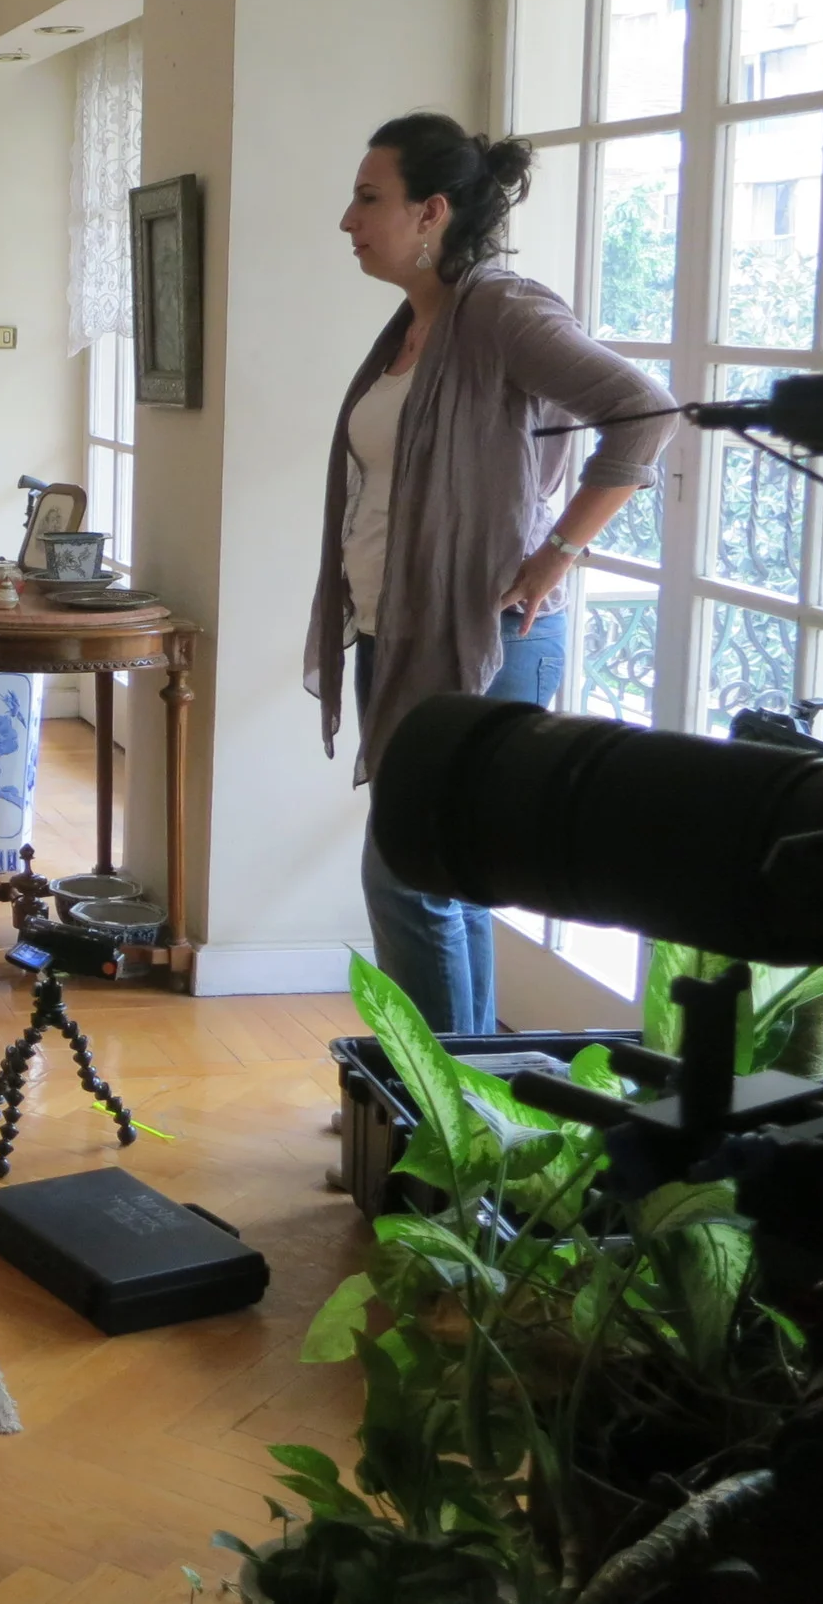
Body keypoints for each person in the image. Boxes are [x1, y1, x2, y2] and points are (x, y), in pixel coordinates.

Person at [306, 112, 677, 1036]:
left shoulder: (500, 310)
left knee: (409, 875)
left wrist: (559, 551)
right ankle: (466, 1099)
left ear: (431, 212)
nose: (348, 220)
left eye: (368, 198)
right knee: (445, 876)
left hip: (484, 637)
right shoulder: (413, 327)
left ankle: (439, 1106)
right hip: (394, 632)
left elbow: (644, 411)